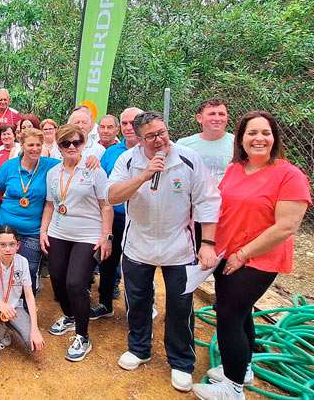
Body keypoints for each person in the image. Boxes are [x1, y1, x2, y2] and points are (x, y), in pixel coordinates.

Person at [192, 111, 311, 400]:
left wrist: (243, 254)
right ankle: (242, 368)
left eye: (265, 133)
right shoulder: (236, 168)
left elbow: (286, 226)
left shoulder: (289, 175)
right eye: (251, 133)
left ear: (274, 138)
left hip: (258, 258)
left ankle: (232, 387)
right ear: (241, 139)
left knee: (229, 316)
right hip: (228, 251)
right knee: (239, 312)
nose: (258, 139)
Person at [107, 111, 221, 392]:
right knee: (137, 301)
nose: (159, 140)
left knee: (181, 306)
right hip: (138, 245)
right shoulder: (128, 160)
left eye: (162, 132)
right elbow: (112, 196)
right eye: (151, 136)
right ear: (139, 138)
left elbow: (207, 200)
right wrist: (145, 175)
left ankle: (181, 362)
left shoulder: (188, 159)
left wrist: (207, 244)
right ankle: (139, 348)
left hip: (178, 248)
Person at [40, 124, 113, 362]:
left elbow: (106, 205)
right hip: (58, 232)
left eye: (76, 142)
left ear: (83, 144)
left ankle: (83, 335)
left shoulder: (94, 170)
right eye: (65, 143)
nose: (72, 147)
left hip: (88, 234)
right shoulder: (53, 173)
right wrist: (43, 231)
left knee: (75, 283)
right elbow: (50, 205)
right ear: (59, 147)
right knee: (58, 281)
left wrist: (106, 236)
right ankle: (70, 316)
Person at [0, 128, 60, 290]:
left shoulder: (50, 166)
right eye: (30, 145)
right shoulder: (8, 166)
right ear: (21, 145)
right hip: (6, 227)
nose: (35, 148)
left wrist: (90, 159)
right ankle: (4, 305)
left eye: (38, 145)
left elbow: (72, 161)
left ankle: (27, 309)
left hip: (33, 231)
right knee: (4, 268)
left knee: (29, 270)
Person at [92, 107, 143, 320]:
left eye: (133, 122)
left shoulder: (151, 149)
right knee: (108, 259)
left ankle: (140, 310)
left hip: (141, 219)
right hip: (116, 216)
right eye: (125, 123)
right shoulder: (111, 152)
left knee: (138, 265)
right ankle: (105, 303)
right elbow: (101, 182)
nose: (129, 127)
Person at [0, 227, 44, 371]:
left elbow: (29, 296)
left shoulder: (23, 262)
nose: (7, 249)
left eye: (12, 244)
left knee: (33, 346)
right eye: (3, 245)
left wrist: (35, 329)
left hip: (15, 308)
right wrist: (1, 304)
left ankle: (5, 327)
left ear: (18, 245)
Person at [177, 99, 235, 185]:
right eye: (212, 114)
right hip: (194, 196)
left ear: (227, 118)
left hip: (226, 196)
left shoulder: (237, 143)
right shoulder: (183, 144)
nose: (217, 118)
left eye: (221, 114)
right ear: (199, 118)